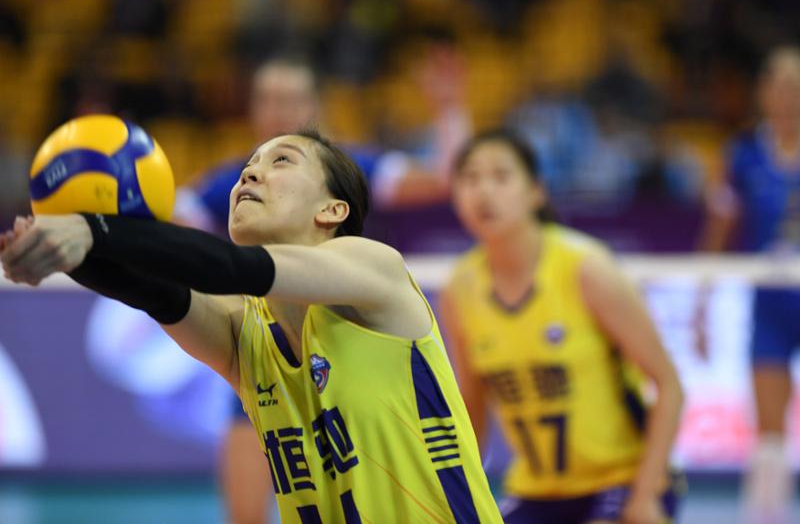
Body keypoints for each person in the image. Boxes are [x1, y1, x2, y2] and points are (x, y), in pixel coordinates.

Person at [0, 129, 503, 524]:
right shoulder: (248, 335)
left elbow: (228, 267)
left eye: (281, 161)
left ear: (333, 210)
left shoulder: (375, 271)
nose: (250, 174)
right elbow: (157, 292)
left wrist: (92, 230)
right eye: (248, 166)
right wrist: (64, 253)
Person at [174, 53, 469, 523]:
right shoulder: (237, 181)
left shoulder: (352, 166)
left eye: (290, 98)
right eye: (268, 99)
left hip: (359, 353)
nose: (278, 109)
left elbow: (443, 180)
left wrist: (448, 110)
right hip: (273, 351)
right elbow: (168, 223)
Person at [439, 129, 684, 524]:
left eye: (501, 176)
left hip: (621, 480)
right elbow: (472, 409)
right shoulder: (460, 288)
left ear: (536, 192)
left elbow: (669, 385)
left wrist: (646, 495)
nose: (483, 191)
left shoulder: (586, 268)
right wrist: (459, 501)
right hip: (537, 492)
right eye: (470, 178)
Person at [700, 46, 800, 522]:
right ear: (763, 93)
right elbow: (717, 233)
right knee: (769, 437)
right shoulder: (743, 155)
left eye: (795, 88)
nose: (788, 97)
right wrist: (701, 306)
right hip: (770, 309)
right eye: (779, 87)